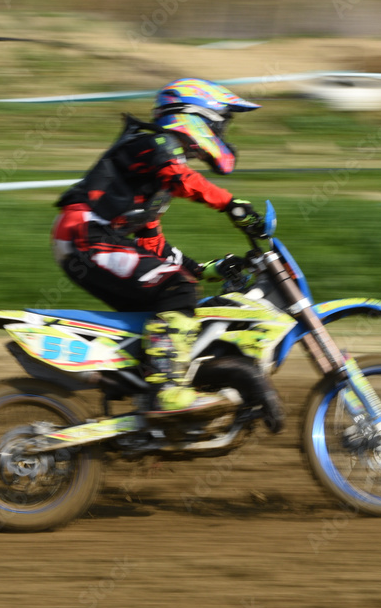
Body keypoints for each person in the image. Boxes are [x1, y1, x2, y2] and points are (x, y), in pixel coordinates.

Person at [51, 78, 263, 421]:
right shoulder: (154, 143)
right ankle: (168, 391)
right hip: (85, 234)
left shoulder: (154, 173)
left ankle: (149, 409)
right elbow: (181, 178)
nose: (223, 131)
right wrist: (231, 204)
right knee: (177, 290)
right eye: (220, 123)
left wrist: (204, 269)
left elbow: (153, 243)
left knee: (168, 296)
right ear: (194, 116)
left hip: (91, 238)